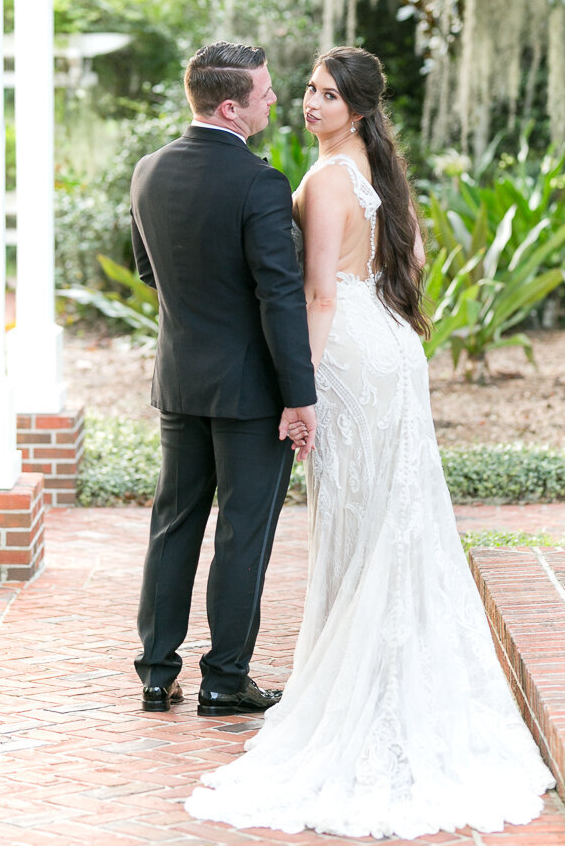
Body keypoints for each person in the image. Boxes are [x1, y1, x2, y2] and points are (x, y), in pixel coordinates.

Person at [185, 47, 555, 837]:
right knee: (395, 512)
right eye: (309, 90)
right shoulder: (378, 171)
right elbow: (407, 261)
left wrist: (302, 394)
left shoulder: (323, 179)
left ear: (355, 106)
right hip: (390, 342)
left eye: (325, 94)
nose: (310, 103)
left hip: (348, 354)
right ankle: (398, 677)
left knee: (359, 523)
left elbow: (318, 291)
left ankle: (367, 688)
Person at [130, 41, 317, 718]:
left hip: (179, 381)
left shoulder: (148, 171)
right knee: (243, 531)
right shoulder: (259, 182)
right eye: (265, 91)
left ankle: (156, 673)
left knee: (173, 524)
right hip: (250, 394)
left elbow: (151, 272)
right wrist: (300, 396)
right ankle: (224, 679)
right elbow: (279, 295)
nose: (276, 98)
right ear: (232, 105)